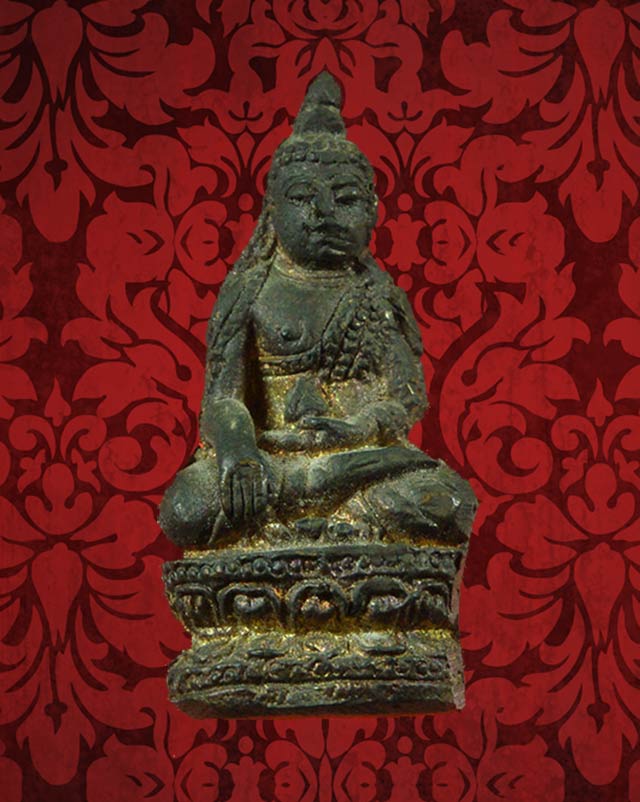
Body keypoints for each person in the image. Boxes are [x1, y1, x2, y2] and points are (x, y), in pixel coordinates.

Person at [158, 72, 476, 551]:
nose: (325, 213)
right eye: (304, 198)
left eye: (345, 199)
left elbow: (405, 395)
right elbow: (222, 400)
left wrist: (360, 427)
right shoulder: (251, 288)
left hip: (357, 458)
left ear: (372, 209)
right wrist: (239, 452)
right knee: (185, 508)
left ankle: (327, 506)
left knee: (446, 502)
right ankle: (332, 512)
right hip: (272, 462)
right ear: (273, 210)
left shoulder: (377, 294)